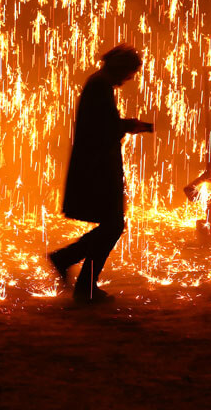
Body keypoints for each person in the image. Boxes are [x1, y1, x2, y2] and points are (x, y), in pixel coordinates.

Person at [48, 44, 153, 304]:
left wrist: (124, 125)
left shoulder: (99, 83)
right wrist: (127, 126)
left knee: (112, 225)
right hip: (98, 168)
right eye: (130, 72)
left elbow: (101, 124)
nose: (130, 79)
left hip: (97, 165)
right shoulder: (100, 86)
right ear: (121, 68)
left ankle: (78, 276)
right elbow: (100, 128)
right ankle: (72, 269)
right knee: (113, 225)